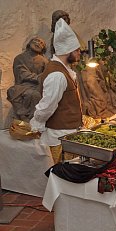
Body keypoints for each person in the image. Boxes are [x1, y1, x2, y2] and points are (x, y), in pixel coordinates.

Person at [30, 18, 82, 164]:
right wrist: (37, 124)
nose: (79, 53)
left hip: (67, 134)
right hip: (59, 137)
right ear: (67, 51)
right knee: (63, 176)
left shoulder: (65, 70)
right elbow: (47, 106)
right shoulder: (57, 75)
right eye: (77, 50)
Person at [7, 37, 49, 122]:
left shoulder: (44, 61)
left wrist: (42, 78)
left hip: (37, 86)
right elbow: (22, 73)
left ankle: (31, 120)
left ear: (43, 48)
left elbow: (47, 75)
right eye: (36, 41)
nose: (38, 43)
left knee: (34, 95)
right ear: (29, 43)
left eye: (41, 43)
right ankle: (23, 116)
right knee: (12, 91)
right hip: (22, 85)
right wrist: (37, 77)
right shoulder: (19, 58)